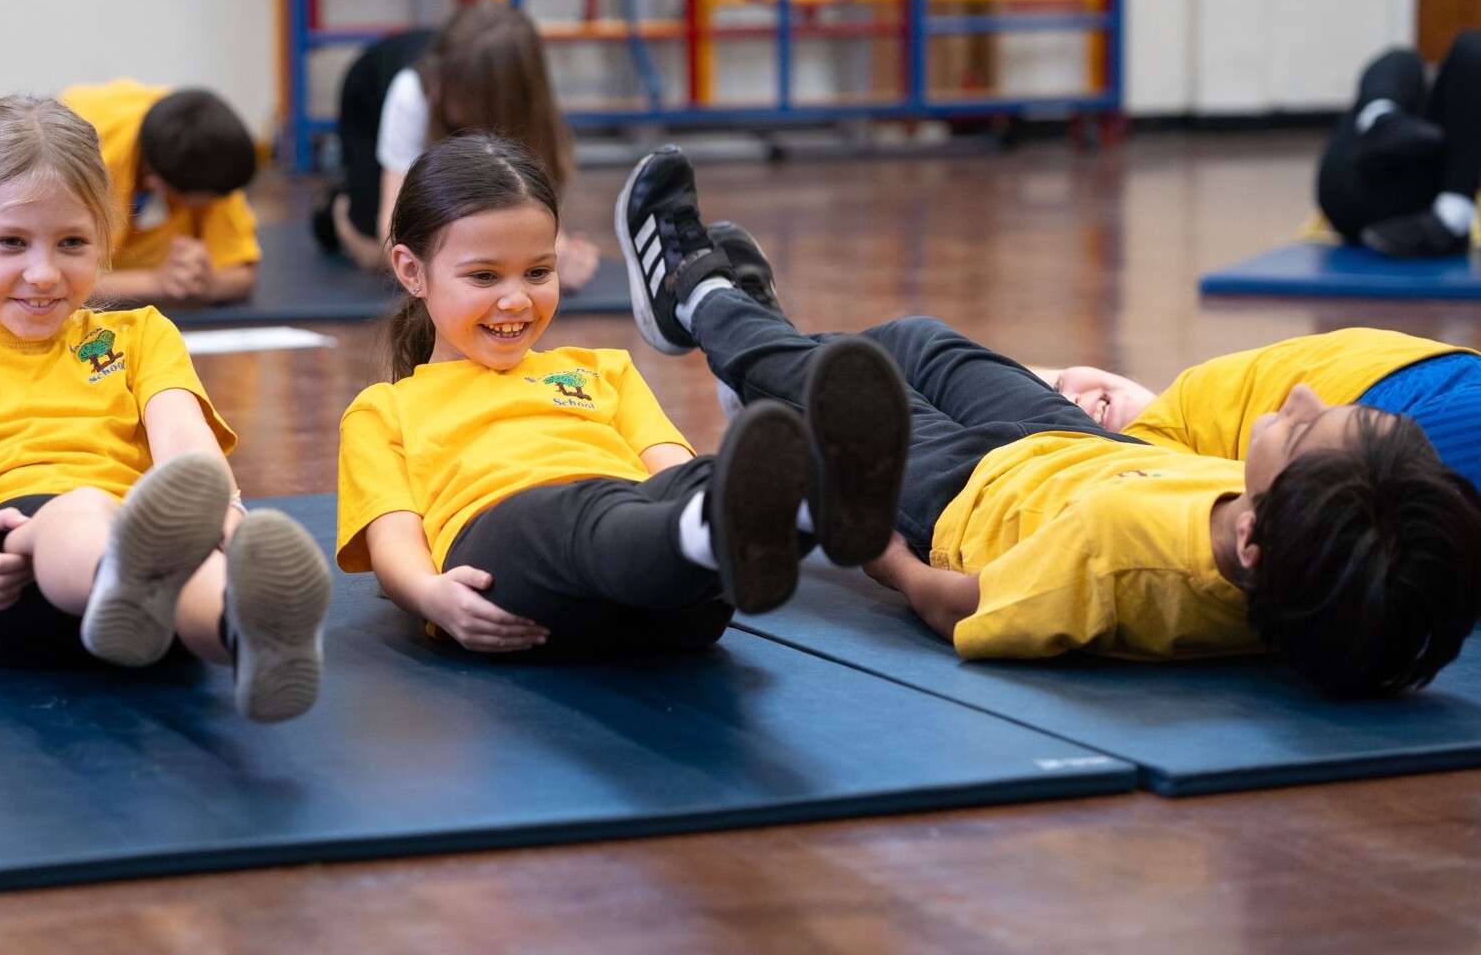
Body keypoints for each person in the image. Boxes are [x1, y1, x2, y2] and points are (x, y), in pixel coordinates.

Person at [619, 145, 1481, 697]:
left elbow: (957, 605)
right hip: (1076, 452)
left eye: (1299, 432)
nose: (1300, 399)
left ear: (1255, 539)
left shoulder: (1116, 558)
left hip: (967, 499)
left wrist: (874, 539)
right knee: (917, 342)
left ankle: (696, 295)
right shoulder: (1291, 548)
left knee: (821, 379)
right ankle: (761, 374)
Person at [0, 95, 328, 722]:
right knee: (92, 512)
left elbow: (184, 438)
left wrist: (228, 521)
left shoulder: (142, 335)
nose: (43, 273)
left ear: (104, 238)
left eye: (72, 243)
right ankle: (127, 576)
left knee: (190, 566)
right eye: (12, 243)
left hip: (141, 591)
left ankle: (244, 634)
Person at [335, 134, 909, 657]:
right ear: (413, 272)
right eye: (484, 277)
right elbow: (393, 542)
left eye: (538, 272)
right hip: (510, 567)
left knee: (693, 482)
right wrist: (429, 596)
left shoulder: (603, 371)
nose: (516, 300)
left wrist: (715, 484)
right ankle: (717, 534)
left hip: (667, 599)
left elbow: (674, 470)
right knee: (568, 514)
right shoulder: (383, 411)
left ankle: (807, 499)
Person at [314, 1, 600, 292]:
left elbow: (535, 206)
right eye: (441, 79)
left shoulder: (528, 110)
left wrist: (558, 257)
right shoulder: (413, 93)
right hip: (369, 96)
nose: (440, 89)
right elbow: (391, 236)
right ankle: (338, 210)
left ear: (497, 100)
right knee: (377, 253)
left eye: (454, 89)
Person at [1031, 328, 1481, 493]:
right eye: (1060, 407)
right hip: (1403, 423)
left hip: (1443, 381)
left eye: (1063, 383)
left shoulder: (1193, 395)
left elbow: (1008, 372)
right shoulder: (1148, 450)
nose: (1073, 400)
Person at [58, 79, 260, 305]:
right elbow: (56, 280)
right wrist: (154, 282)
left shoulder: (205, 154)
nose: (220, 202)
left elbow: (242, 274)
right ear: (155, 182)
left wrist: (209, 282)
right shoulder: (79, 165)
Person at [1313, 31, 1481, 257]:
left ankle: (1453, 218)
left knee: (1471, 48)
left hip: (1422, 203)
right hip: (1352, 183)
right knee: (1402, 59)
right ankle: (1381, 118)